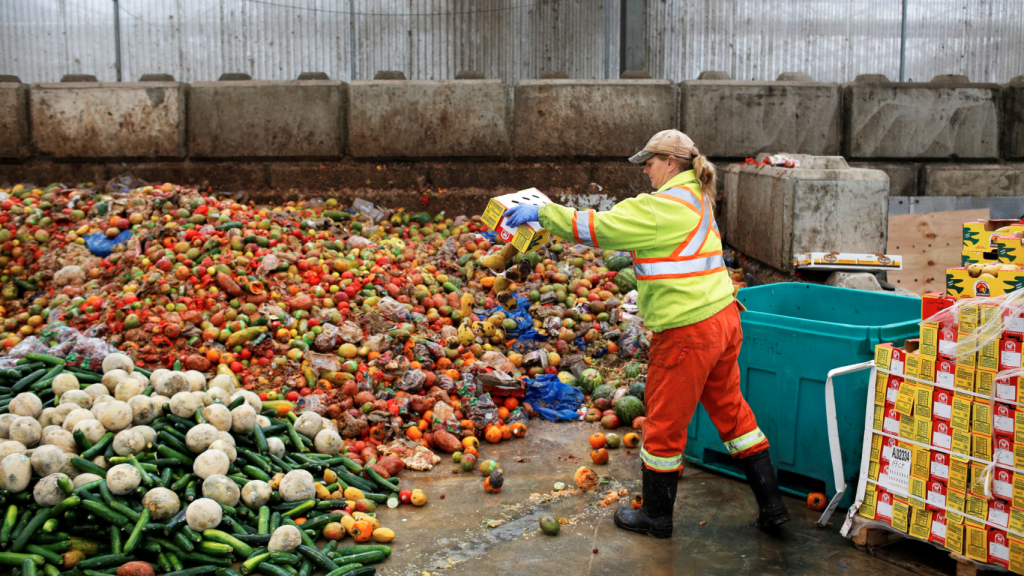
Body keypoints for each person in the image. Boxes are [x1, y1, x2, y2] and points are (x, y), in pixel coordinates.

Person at [503, 129, 789, 538]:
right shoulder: (698, 198)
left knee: (662, 424)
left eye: (650, 164)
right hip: (724, 319)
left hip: (688, 331)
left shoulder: (663, 207)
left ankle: (656, 516)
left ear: (671, 163)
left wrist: (543, 213)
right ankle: (772, 506)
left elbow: (600, 227)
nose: (646, 173)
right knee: (733, 413)